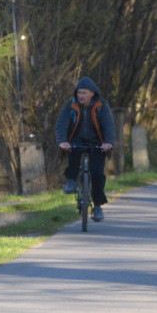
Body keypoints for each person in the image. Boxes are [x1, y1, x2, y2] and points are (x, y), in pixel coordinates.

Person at [55, 76, 115, 222]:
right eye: (79, 93)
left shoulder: (102, 106)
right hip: (77, 139)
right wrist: (62, 142)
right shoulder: (71, 105)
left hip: (97, 142)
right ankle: (71, 180)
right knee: (73, 153)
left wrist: (108, 143)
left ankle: (98, 206)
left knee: (97, 174)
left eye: (84, 93)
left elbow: (109, 126)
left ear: (92, 94)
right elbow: (61, 125)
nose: (81, 96)